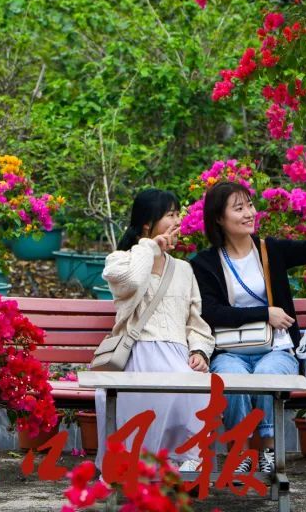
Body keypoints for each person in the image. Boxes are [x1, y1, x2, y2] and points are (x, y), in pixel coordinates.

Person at [189, 180, 306, 480]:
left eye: (250, 206)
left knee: (267, 376)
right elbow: (210, 312)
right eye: (239, 208)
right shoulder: (204, 263)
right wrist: (265, 313)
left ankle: (267, 451)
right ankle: (240, 453)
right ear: (219, 218)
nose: (249, 213)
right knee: (233, 380)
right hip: (231, 351)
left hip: (277, 348)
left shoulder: (270, 250)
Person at [96, 188, 215, 474]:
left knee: (199, 386)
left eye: (178, 215)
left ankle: (183, 462)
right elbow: (132, 282)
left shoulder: (184, 269)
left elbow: (196, 322)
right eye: (170, 215)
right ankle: (132, 464)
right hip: (136, 352)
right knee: (129, 392)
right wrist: (150, 247)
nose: (177, 222)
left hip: (176, 353)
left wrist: (199, 349)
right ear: (148, 223)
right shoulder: (120, 260)